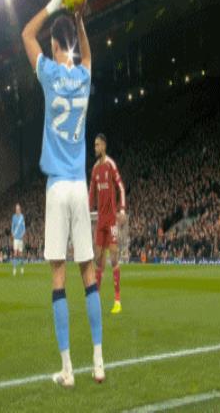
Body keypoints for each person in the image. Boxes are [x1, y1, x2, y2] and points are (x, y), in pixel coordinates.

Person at [22, 0, 104, 387]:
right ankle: (99, 361)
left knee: (58, 276)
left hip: (57, 186)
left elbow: (25, 34)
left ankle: (68, 370)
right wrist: (79, 19)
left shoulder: (50, 75)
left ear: (55, 45)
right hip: (79, 186)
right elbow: (87, 55)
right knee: (88, 273)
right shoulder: (83, 78)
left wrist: (55, 3)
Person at [89, 134, 127, 314]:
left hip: (111, 219)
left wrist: (122, 210)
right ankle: (96, 301)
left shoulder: (110, 164)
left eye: (97, 145)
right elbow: (91, 194)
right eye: (94, 145)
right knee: (98, 260)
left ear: (104, 145)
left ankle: (117, 300)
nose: (95, 147)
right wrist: (88, 211)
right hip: (100, 221)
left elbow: (121, 187)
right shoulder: (95, 169)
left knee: (114, 257)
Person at [11, 203, 26, 276]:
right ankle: (14, 269)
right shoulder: (13, 217)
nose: (17, 210)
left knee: (20, 254)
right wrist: (12, 233)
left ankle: (22, 268)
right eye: (16, 209)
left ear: (20, 210)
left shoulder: (22, 217)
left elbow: (24, 228)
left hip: (20, 238)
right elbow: (12, 226)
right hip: (16, 238)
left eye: (18, 209)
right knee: (15, 253)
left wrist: (22, 235)